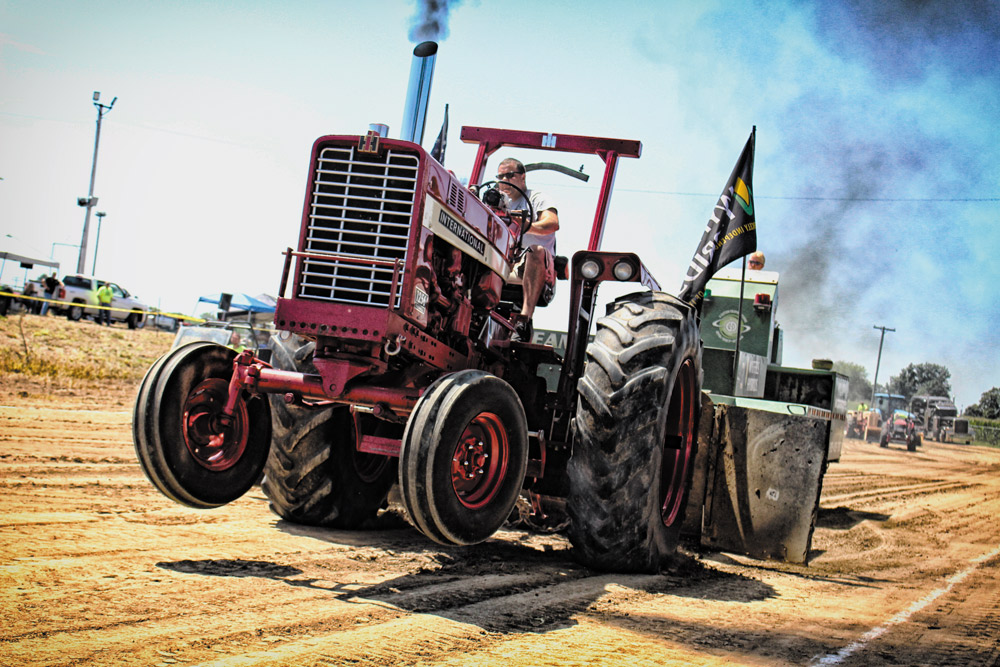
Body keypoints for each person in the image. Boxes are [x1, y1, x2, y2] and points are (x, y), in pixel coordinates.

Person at [496, 157, 559, 342]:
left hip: (535, 264)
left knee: (535, 249)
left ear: (522, 177)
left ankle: (523, 319)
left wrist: (526, 226)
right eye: (500, 177)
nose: (504, 180)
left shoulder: (536, 198)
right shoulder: (500, 201)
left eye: (509, 175)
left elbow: (552, 223)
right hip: (506, 261)